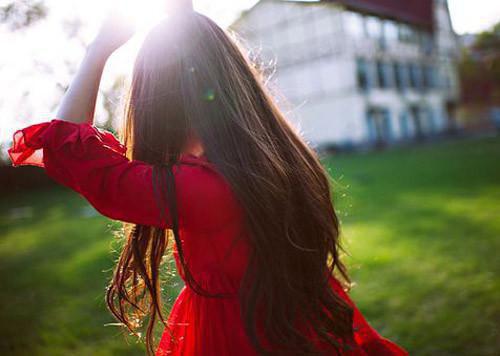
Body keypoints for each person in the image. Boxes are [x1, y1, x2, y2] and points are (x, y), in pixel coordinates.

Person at [8, 7, 408, 356]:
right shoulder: (276, 159)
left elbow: (66, 145)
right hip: (296, 320)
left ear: (161, 104)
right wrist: (186, 25)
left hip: (237, 338)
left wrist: (98, 50)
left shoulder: (204, 190)